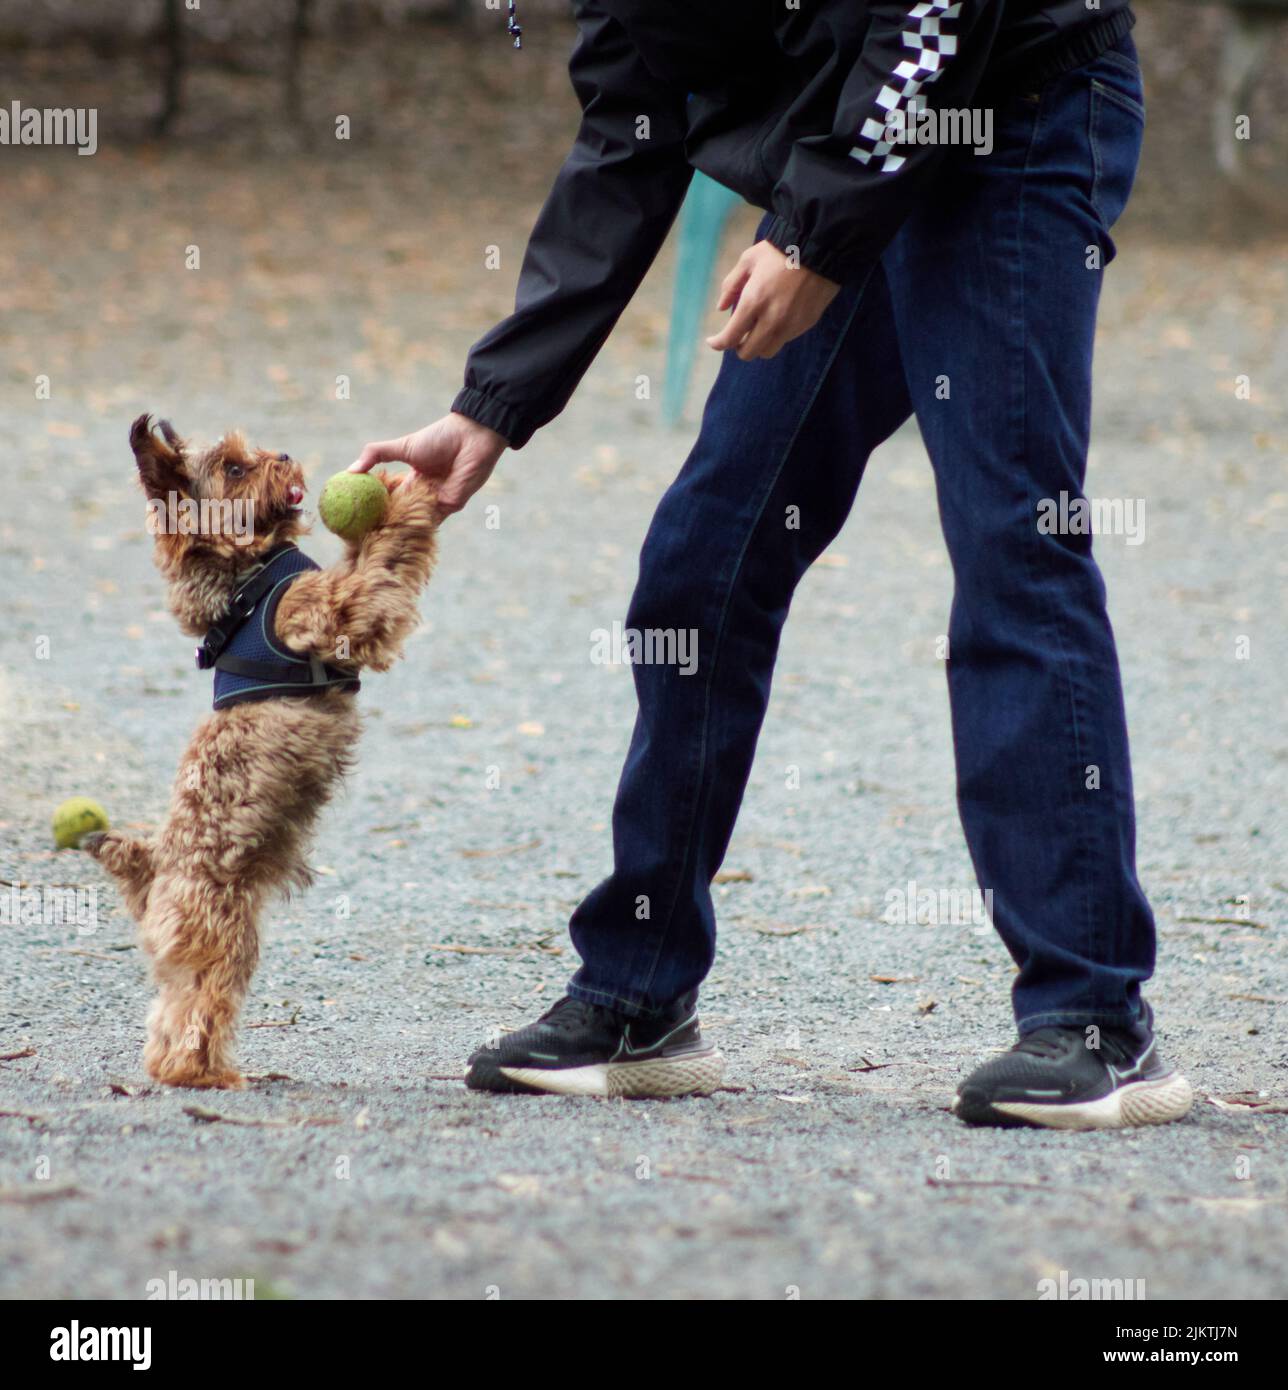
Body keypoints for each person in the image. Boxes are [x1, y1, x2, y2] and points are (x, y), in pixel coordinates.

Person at [350, 1, 1193, 1129]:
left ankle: (1094, 1018)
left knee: (1011, 542)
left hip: (1015, 115)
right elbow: (630, 127)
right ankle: (639, 992)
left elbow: (935, 13)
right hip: (845, 158)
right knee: (702, 564)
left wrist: (811, 236)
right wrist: (492, 402)